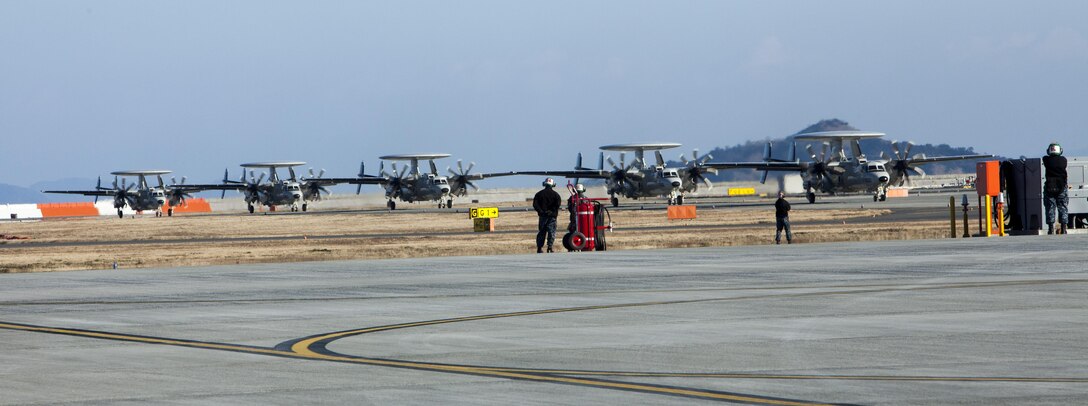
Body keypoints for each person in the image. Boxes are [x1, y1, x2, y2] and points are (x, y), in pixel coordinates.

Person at [1043, 142, 1069, 235]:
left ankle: (1050, 229)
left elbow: (1045, 157)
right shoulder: (1064, 160)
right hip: (1062, 187)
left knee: (1050, 207)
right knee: (1063, 207)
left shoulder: (1046, 160)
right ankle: (1064, 228)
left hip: (1049, 187)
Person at [533, 177, 562, 253]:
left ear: (544, 184)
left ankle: (539, 248)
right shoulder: (556, 195)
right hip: (552, 217)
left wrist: (541, 212)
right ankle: (550, 247)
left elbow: (535, 205)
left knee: (541, 232)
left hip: (542, 217)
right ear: (553, 185)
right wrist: (551, 212)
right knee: (551, 232)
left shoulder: (538, 194)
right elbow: (557, 205)